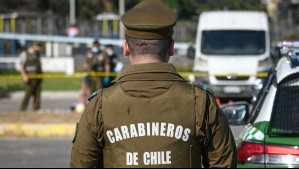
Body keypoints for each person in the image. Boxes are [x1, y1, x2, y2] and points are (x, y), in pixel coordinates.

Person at [70, 0, 237, 168]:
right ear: (171, 48)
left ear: (126, 48)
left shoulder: (99, 106)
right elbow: (224, 163)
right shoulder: (200, 102)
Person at [19, 42, 42, 112]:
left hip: (37, 77)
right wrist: (24, 76)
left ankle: (36, 110)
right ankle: (23, 110)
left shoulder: (37, 54)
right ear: (33, 46)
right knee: (27, 95)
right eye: (38, 46)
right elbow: (21, 67)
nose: (39, 48)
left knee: (37, 95)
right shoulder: (24, 54)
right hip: (29, 78)